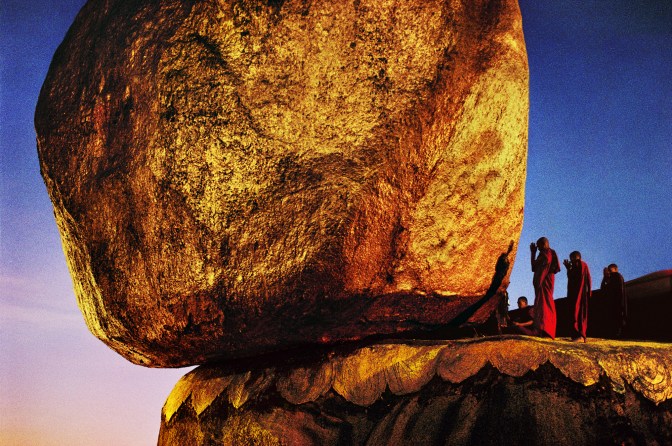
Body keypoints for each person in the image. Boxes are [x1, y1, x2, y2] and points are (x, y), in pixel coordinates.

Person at [530, 237, 560, 339]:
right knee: (540, 305)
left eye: (538, 247)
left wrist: (539, 281)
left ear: (544, 244)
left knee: (546, 304)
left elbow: (546, 264)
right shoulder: (541, 254)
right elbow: (534, 268)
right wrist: (533, 253)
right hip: (541, 282)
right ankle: (541, 330)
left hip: (545, 281)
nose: (538, 249)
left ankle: (547, 331)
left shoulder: (547, 253)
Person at [563, 251, 592, 342]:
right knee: (573, 313)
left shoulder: (582, 264)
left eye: (571, 258)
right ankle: (576, 335)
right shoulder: (574, 266)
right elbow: (572, 279)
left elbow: (585, 279)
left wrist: (588, 292)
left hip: (580, 294)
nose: (570, 261)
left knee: (579, 313)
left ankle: (581, 335)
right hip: (573, 294)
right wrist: (568, 269)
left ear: (576, 257)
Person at [601, 263, 627, 337]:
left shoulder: (616, 276)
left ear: (615, 269)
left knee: (617, 319)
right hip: (615, 303)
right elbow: (604, 288)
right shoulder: (615, 277)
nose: (609, 272)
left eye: (610, 270)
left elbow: (616, 291)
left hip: (617, 303)